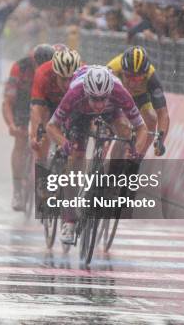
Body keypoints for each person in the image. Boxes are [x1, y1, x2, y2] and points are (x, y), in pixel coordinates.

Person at [46, 65, 148, 243]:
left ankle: (113, 178)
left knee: (125, 133)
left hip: (113, 111)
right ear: (87, 92)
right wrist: (64, 143)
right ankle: (69, 221)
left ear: (110, 93)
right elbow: (51, 126)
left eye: (103, 99)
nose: (99, 104)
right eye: (95, 99)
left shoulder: (119, 92)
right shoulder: (75, 92)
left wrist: (136, 150)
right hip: (79, 113)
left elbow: (142, 128)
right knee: (76, 157)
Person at [2, 44, 55, 211]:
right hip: (22, 103)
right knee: (20, 141)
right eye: (39, 64)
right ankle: (17, 190)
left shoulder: (56, 69)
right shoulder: (20, 67)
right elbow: (8, 102)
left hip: (44, 103)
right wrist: (11, 125)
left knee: (46, 136)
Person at [107, 46, 169, 156]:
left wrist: (161, 140)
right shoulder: (113, 69)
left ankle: (138, 156)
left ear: (145, 75)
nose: (132, 83)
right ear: (122, 71)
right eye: (128, 76)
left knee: (151, 118)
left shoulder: (151, 76)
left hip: (140, 97)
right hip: (116, 96)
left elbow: (162, 113)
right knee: (120, 126)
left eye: (137, 79)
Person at [28, 45, 82, 168]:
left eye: (71, 79)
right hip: (50, 102)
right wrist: (35, 135)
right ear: (55, 72)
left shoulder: (83, 72)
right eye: (63, 79)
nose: (67, 84)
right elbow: (36, 108)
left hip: (72, 102)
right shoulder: (42, 72)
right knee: (44, 132)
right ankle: (41, 171)